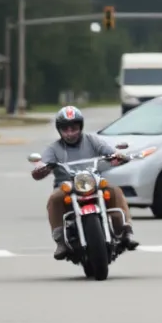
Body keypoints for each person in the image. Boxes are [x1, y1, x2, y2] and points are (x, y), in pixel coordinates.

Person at [31, 105, 140, 259]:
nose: (70, 133)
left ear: (80, 126)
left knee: (115, 190)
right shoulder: (53, 148)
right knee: (54, 199)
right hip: (67, 186)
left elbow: (108, 152)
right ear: (59, 130)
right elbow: (41, 164)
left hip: (93, 182)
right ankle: (61, 240)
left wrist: (117, 155)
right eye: (65, 129)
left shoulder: (92, 140)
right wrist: (40, 168)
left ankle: (126, 231)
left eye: (74, 127)